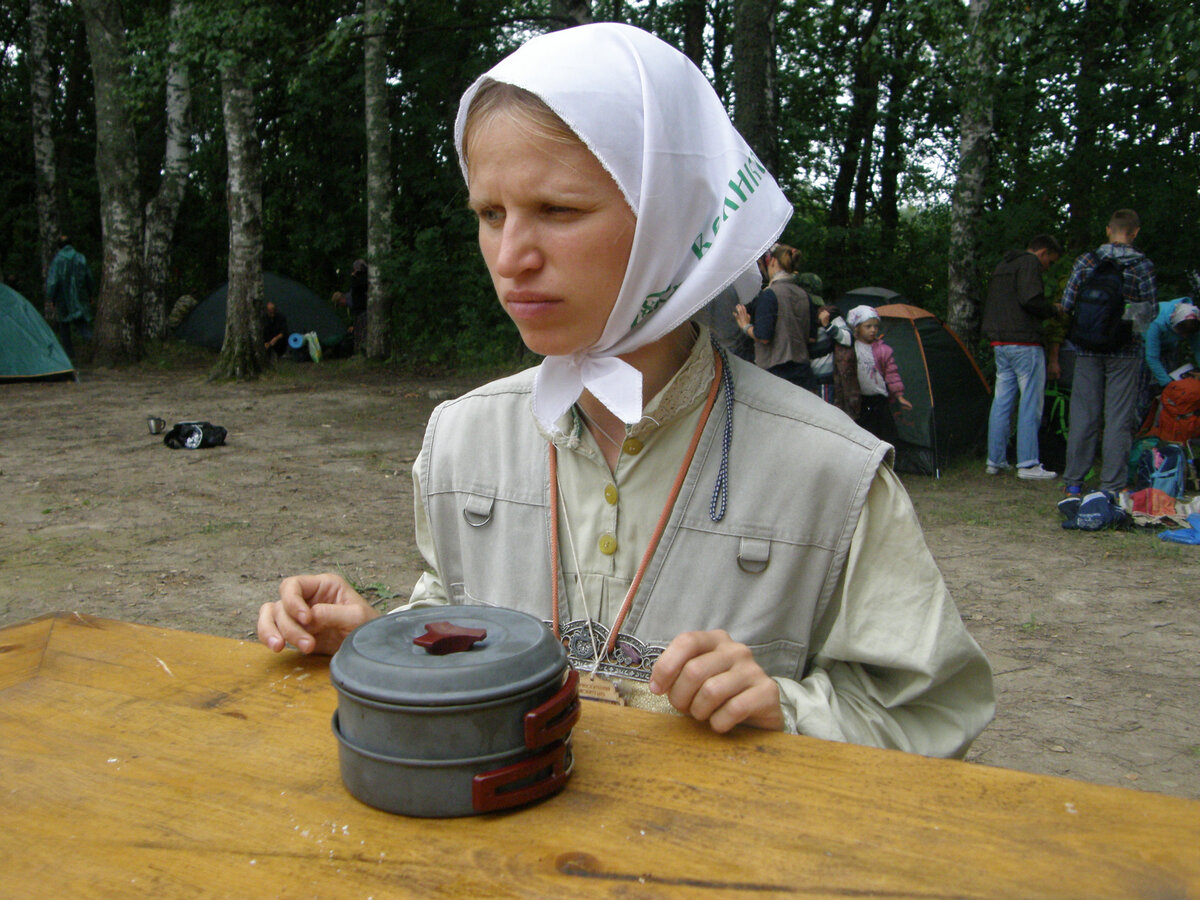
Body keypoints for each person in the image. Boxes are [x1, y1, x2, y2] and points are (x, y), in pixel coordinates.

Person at [257, 23, 993, 757]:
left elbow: (932, 712)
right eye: (490, 214)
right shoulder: (462, 440)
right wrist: (383, 642)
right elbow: (454, 612)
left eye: (558, 210)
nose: (511, 257)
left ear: (669, 220)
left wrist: (787, 709)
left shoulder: (830, 472)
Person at [1061, 209, 1157, 497]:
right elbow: (1148, 314)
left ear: (1108, 230)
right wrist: (1121, 328)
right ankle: (1112, 486)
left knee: (1083, 416)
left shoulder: (1086, 262)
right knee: (1118, 419)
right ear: (1135, 232)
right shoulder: (1142, 266)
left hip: (1087, 349)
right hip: (1125, 353)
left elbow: (1067, 305)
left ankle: (1074, 482)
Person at [981, 234, 1063, 480]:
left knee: (1002, 402)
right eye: (1050, 261)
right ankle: (1028, 464)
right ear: (1043, 253)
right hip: (1025, 342)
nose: (1047, 267)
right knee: (1030, 402)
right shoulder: (1029, 264)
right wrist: (1053, 310)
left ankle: (995, 460)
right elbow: (1031, 299)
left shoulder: (1003, 265)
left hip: (1000, 342)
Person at [733, 244, 816, 391]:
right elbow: (811, 338)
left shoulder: (769, 295)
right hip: (803, 372)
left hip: (776, 373)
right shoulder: (804, 295)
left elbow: (764, 336)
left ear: (772, 262)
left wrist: (745, 325)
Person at [842, 305, 912, 447]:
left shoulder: (883, 350)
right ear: (857, 328)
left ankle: (888, 460)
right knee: (865, 431)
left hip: (879, 397)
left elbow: (892, 374)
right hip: (860, 398)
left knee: (886, 432)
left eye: (875, 326)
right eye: (868, 326)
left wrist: (899, 395)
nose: (873, 330)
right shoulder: (851, 348)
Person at [44, 235, 94, 359]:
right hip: (80, 297)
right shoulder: (80, 258)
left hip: (62, 299)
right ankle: (93, 348)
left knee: (64, 328)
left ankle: (69, 355)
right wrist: (90, 294)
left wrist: (51, 298)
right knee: (82, 324)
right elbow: (89, 278)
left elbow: (53, 282)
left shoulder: (57, 260)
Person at [1143, 298, 1200, 389]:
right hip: (1143, 345)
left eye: (1188, 334)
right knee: (1146, 384)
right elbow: (1152, 357)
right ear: (1174, 323)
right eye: (1181, 333)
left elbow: (1198, 350)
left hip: (1169, 347)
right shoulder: (1156, 322)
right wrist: (1169, 385)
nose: (1185, 336)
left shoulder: (1193, 321)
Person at [809, 303, 852, 405]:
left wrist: (827, 325)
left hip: (825, 379)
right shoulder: (797, 315)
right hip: (805, 378)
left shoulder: (830, 314)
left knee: (825, 413)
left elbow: (848, 339)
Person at [349, 259, 368, 354]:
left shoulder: (360, 279)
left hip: (362, 309)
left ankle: (362, 349)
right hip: (360, 309)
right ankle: (360, 350)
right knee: (361, 331)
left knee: (362, 331)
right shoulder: (356, 280)